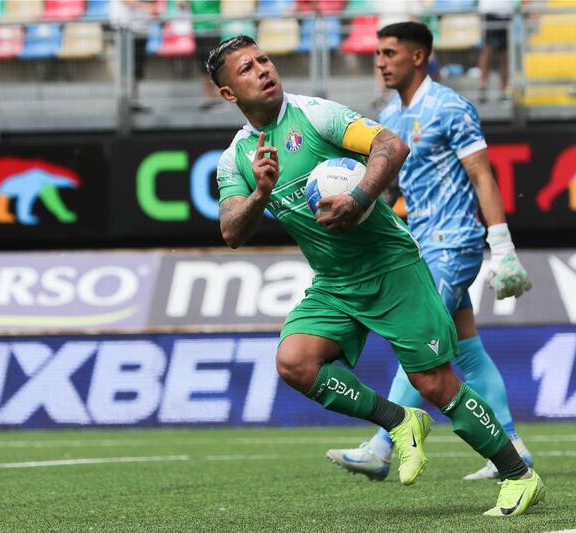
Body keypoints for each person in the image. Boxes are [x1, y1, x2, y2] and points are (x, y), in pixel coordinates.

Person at [209, 35, 545, 517]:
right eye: (247, 68)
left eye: (264, 59)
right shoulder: (237, 158)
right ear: (228, 94)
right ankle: (399, 421)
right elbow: (231, 229)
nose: (263, 69)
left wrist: (360, 197)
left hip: (392, 268)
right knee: (295, 363)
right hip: (334, 283)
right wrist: (260, 194)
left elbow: (391, 144)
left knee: (435, 383)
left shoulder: (317, 116)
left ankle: (519, 476)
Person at [326, 21, 534, 482]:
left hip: (454, 243)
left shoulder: (451, 107)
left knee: (417, 344)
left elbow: (482, 174)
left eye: (389, 53)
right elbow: (391, 192)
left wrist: (503, 248)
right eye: (377, 53)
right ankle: (513, 443)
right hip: (422, 246)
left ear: (417, 57)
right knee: (470, 352)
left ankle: (383, 444)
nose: (379, 61)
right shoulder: (390, 120)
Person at [110, 0, 159, 112]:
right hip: (125, 28)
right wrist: (145, 6)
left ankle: (134, 102)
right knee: (126, 69)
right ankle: (124, 102)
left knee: (137, 70)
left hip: (141, 28)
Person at [477, 0, 513, 102]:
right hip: (489, 11)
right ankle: (483, 87)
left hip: (506, 13)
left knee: (504, 55)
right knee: (486, 52)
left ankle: (505, 90)